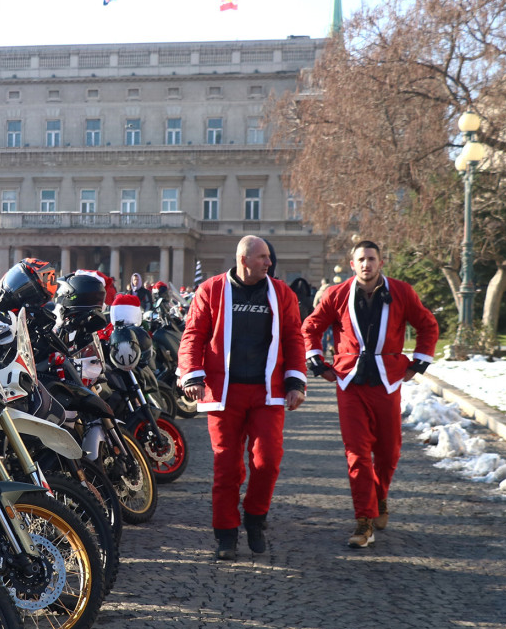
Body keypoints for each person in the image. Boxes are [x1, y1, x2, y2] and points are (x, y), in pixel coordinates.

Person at [301, 240, 439, 549]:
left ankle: (379, 496)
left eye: (371, 259)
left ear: (381, 262)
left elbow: (428, 326)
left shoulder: (402, 292)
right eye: (361, 259)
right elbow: (310, 327)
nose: (366, 264)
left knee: (388, 452)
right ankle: (364, 520)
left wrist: (418, 365)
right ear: (352, 264)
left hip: (388, 381)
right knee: (357, 453)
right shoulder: (336, 295)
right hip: (350, 382)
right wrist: (317, 364)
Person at [177, 235, 307, 560]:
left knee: (267, 461)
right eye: (263, 257)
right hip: (225, 393)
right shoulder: (211, 290)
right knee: (226, 467)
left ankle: (255, 517)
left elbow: (294, 337)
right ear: (244, 260)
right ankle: (225, 534)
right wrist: (192, 374)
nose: (269, 262)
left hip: (268, 392)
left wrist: (296, 381)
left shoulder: (282, 293)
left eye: (269, 257)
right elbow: (193, 334)